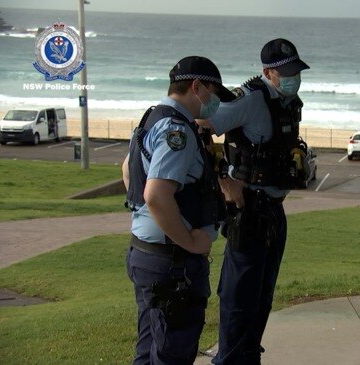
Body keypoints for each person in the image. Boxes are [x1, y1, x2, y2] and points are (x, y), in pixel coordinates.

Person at [202, 38, 310, 365]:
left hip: (275, 211)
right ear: (268, 72)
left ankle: (248, 357)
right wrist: (223, 180)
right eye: (286, 72)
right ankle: (230, 359)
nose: (294, 77)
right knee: (239, 299)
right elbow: (202, 124)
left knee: (262, 297)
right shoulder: (250, 100)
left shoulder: (289, 101)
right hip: (249, 211)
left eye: (296, 71)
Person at [123, 56, 235, 365]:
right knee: (172, 353)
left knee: (149, 351)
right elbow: (156, 196)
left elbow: (128, 172)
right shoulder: (179, 132)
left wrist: (149, 220)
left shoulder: (151, 118)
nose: (214, 103)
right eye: (213, 93)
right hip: (172, 263)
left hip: (147, 254)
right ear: (196, 87)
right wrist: (189, 240)